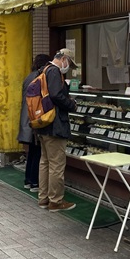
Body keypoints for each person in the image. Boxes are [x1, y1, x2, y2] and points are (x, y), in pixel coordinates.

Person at [37, 48, 78, 212]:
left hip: (43, 123)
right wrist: (71, 104)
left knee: (45, 162)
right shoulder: (54, 71)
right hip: (55, 125)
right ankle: (55, 201)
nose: (68, 67)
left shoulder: (44, 69)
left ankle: (43, 198)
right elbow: (56, 95)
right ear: (64, 59)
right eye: (69, 63)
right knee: (56, 165)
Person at [18, 54, 51, 192]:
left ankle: (28, 180)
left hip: (27, 118)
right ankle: (34, 182)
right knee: (37, 152)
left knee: (32, 151)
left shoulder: (29, 77)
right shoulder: (40, 77)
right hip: (35, 119)